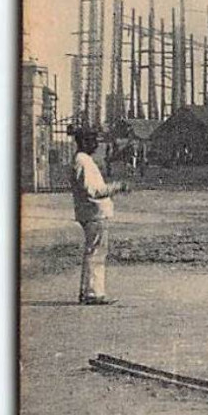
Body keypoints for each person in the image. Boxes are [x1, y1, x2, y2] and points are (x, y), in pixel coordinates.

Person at [69, 125, 128, 305]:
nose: (96, 145)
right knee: (96, 253)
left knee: (93, 251)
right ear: (84, 142)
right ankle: (92, 293)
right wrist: (117, 187)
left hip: (91, 212)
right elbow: (94, 190)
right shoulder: (83, 161)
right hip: (94, 212)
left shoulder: (82, 160)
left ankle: (88, 291)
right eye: (93, 141)